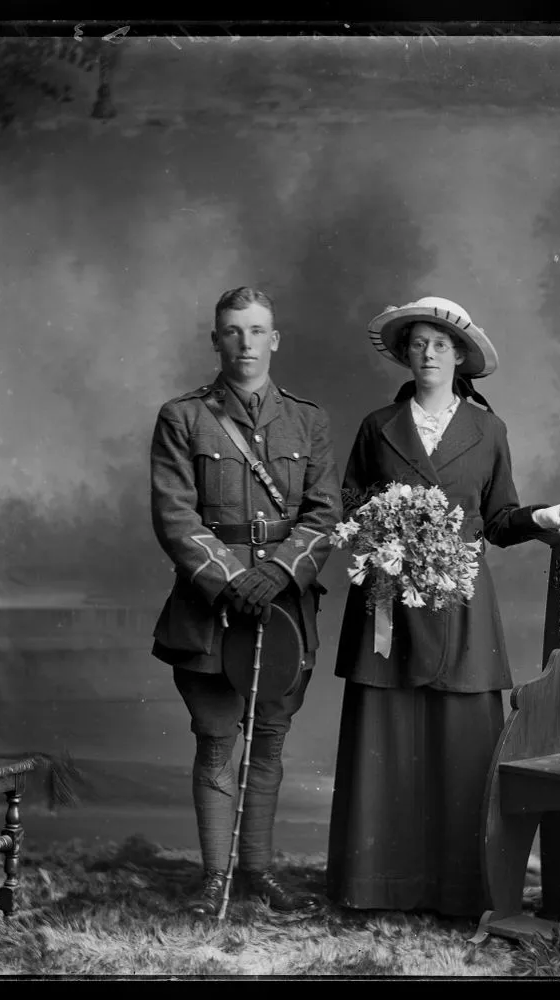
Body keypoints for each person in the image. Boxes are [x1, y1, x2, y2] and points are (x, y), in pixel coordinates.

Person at [326, 296, 560, 920]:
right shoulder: (376, 426)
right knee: (385, 732)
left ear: (461, 356)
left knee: (463, 742)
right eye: (418, 342)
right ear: (405, 354)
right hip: (388, 602)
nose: (430, 352)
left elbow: (497, 519)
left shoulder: (488, 431)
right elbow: (350, 510)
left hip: (461, 602)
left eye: (442, 343)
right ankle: (377, 884)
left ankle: (463, 888)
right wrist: (381, 538)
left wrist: (541, 516)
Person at [150, 286, 342, 917]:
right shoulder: (183, 418)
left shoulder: (308, 420)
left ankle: (258, 871)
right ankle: (214, 878)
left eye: (257, 331)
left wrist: (281, 572)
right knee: (215, 741)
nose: (246, 343)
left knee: (269, 743)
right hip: (210, 613)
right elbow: (175, 516)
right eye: (233, 331)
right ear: (215, 340)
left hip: (285, 608)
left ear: (275, 339)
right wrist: (231, 579)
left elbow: (324, 513)